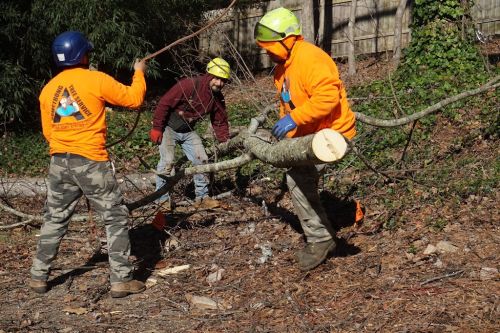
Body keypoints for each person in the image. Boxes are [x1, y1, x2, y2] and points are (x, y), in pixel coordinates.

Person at [29, 31, 147, 298]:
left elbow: (49, 132)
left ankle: (38, 277)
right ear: (83, 55)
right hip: (91, 161)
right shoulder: (96, 79)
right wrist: (139, 72)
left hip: (59, 161)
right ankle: (121, 280)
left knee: (55, 219)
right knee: (114, 217)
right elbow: (133, 99)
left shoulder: (48, 90)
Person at [254, 8, 358, 271]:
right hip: (310, 134)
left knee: (298, 178)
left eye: (269, 47)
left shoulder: (311, 58)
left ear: (287, 40)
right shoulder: (282, 68)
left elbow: (327, 99)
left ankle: (321, 239)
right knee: (298, 176)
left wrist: (295, 119)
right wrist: (287, 133)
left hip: (333, 135)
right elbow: (288, 105)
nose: (267, 53)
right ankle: (322, 229)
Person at [149, 57, 231, 209]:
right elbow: (164, 103)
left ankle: (202, 198)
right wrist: (157, 128)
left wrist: (224, 139)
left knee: (202, 160)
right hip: (168, 128)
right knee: (167, 162)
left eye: (223, 80)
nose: (220, 83)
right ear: (209, 75)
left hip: (188, 131)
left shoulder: (217, 98)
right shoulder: (189, 85)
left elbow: (219, 120)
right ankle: (162, 200)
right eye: (217, 79)